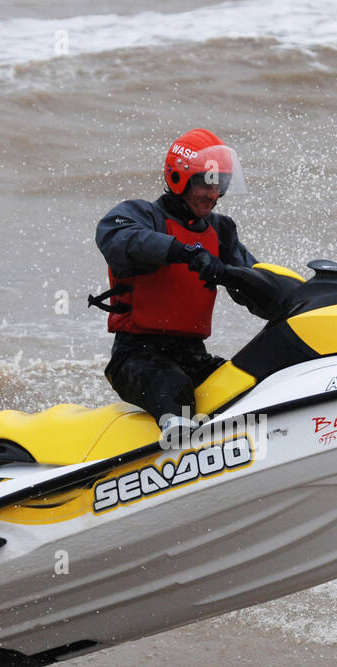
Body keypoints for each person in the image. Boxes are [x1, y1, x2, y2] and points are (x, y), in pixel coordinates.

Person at [89, 128, 257, 446]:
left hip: (194, 355)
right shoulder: (139, 216)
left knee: (246, 381)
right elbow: (116, 239)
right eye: (205, 183)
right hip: (137, 356)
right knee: (173, 383)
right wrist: (181, 251)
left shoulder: (221, 232)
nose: (213, 194)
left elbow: (256, 277)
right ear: (179, 179)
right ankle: (178, 444)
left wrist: (298, 295)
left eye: (219, 184)